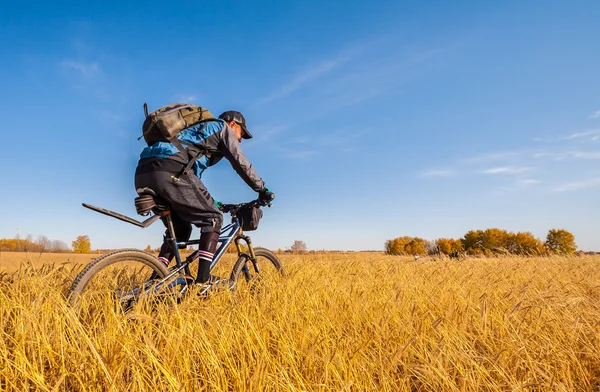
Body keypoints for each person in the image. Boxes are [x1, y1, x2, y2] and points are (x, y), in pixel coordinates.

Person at [134, 110, 273, 288]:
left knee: (179, 231)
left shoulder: (196, 134)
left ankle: (154, 283)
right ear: (232, 124)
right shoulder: (221, 127)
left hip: (145, 172)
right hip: (170, 170)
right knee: (213, 218)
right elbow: (240, 162)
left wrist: (213, 203)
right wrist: (262, 189)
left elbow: (192, 181)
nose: (240, 140)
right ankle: (203, 281)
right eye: (241, 134)